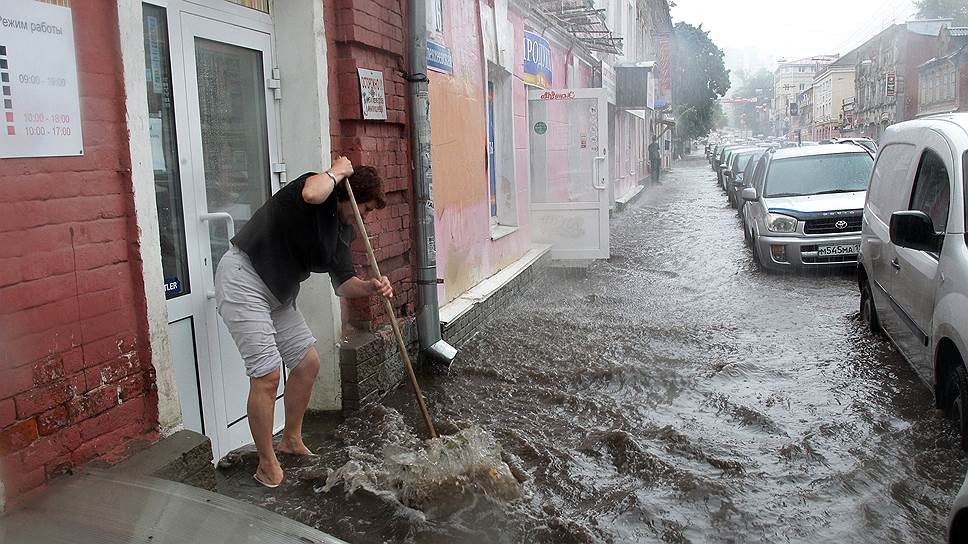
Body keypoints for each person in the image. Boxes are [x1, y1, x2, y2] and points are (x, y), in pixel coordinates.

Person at [214, 157, 392, 488]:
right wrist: (339, 171)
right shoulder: (315, 190)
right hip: (245, 277)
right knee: (266, 375)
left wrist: (370, 286)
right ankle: (267, 463)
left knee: (307, 363)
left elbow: (343, 283)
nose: (365, 218)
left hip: (278, 294)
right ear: (349, 195)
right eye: (365, 209)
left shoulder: (343, 230)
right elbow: (312, 193)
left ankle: (291, 440)